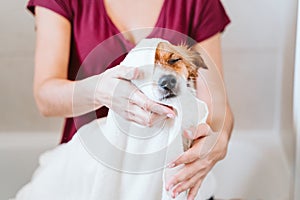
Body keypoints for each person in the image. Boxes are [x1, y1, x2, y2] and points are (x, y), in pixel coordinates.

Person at [26, 0, 234, 199]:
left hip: (171, 166)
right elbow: (45, 97)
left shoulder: (198, 2)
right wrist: (99, 91)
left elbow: (216, 103)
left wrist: (218, 139)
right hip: (90, 164)